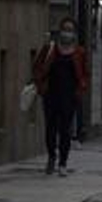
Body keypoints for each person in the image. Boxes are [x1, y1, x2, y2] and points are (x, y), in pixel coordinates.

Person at [32, 17, 89, 177]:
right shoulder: (50, 49)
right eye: (65, 29)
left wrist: (80, 89)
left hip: (69, 97)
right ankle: (51, 156)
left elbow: (84, 74)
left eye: (70, 30)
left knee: (65, 130)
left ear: (75, 34)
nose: (67, 33)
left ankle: (63, 162)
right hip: (51, 95)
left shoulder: (79, 52)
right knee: (50, 128)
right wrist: (41, 86)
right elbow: (37, 67)